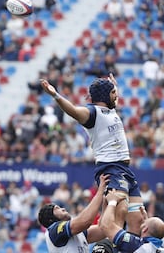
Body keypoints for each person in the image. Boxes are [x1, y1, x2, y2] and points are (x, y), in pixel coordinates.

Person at [40, 74, 144, 236]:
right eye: (112, 93)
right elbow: (74, 111)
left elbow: (113, 99)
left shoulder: (109, 109)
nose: (116, 96)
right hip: (111, 168)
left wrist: (113, 87)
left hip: (125, 170)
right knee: (119, 212)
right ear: (104, 96)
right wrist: (55, 95)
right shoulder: (92, 113)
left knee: (138, 221)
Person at [37, 174, 109, 252]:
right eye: (57, 208)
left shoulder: (75, 232)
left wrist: (106, 201)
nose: (63, 209)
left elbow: (103, 230)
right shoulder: (54, 230)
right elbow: (86, 221)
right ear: (50, 219)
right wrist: (101, 190)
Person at [100, 189, 164, 252]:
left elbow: (106, 225)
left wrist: (112, 202)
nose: (142, 221)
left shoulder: (136, 245)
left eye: (143, 224)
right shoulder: (160, 247)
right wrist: (147, 223)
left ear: (145, 229)